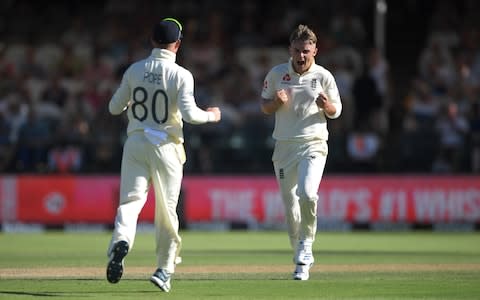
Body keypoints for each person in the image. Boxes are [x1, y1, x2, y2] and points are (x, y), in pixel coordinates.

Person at [105, 17, 221, 292]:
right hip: (166, 147)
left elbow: (113, 108)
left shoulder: (134, 70)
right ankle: (164, 269)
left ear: (152, 40)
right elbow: (191, 115)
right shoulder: (181, 75)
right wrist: (212, 116)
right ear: (177, 44)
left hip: (135, 143)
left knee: (130, 202)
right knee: (167, 211)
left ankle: (121, 241)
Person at [260, 24, 342, 280]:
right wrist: (276, 103)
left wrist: (327, 105)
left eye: (306, 51)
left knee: (308, 194)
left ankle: (306, 245)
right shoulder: (276, 74)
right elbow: (264, 106)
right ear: (290, 50)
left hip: (313, 145)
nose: (301, 56)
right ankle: (299, 258)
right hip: (284, 147)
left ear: (315, 50)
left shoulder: (324, 77)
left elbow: (337, 110)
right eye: (297, 50)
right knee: (290, 207)